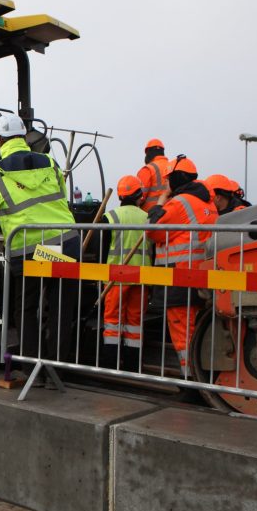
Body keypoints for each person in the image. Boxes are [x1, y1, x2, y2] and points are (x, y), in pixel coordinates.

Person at [0, 114, 79, 366]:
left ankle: (31, 369)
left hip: (30, 249)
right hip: (66, 243)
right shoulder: (50, 162)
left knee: (27, 308)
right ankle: (56, 370)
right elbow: (61, 197)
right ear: (23, 136)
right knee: (61, 308)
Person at [146, 155, 218, 376]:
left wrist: (161, 200)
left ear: (177, 178)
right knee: (199, 332)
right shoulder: (208, 204)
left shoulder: (179, 203)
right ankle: (204, 376)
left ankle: (191, 380)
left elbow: (152, 230)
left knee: (183, 334)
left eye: (169, 179)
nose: (167, 183)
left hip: (179, 279)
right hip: (202, 277)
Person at [99, 175, 151, 370]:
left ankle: (110, 365)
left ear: (120, 196)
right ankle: (132, 366)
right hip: (141, 278)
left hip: (115, 279)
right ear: (139, 195)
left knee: (112, 322)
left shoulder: (110, 217)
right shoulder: (147, 218)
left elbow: (103, 251)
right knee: (135, 324)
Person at [137, 138, 171, 212]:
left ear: (148, 153)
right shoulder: (173, 167)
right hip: (172, 213)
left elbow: (139, 196)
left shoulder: (148, 169)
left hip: (151, 214)